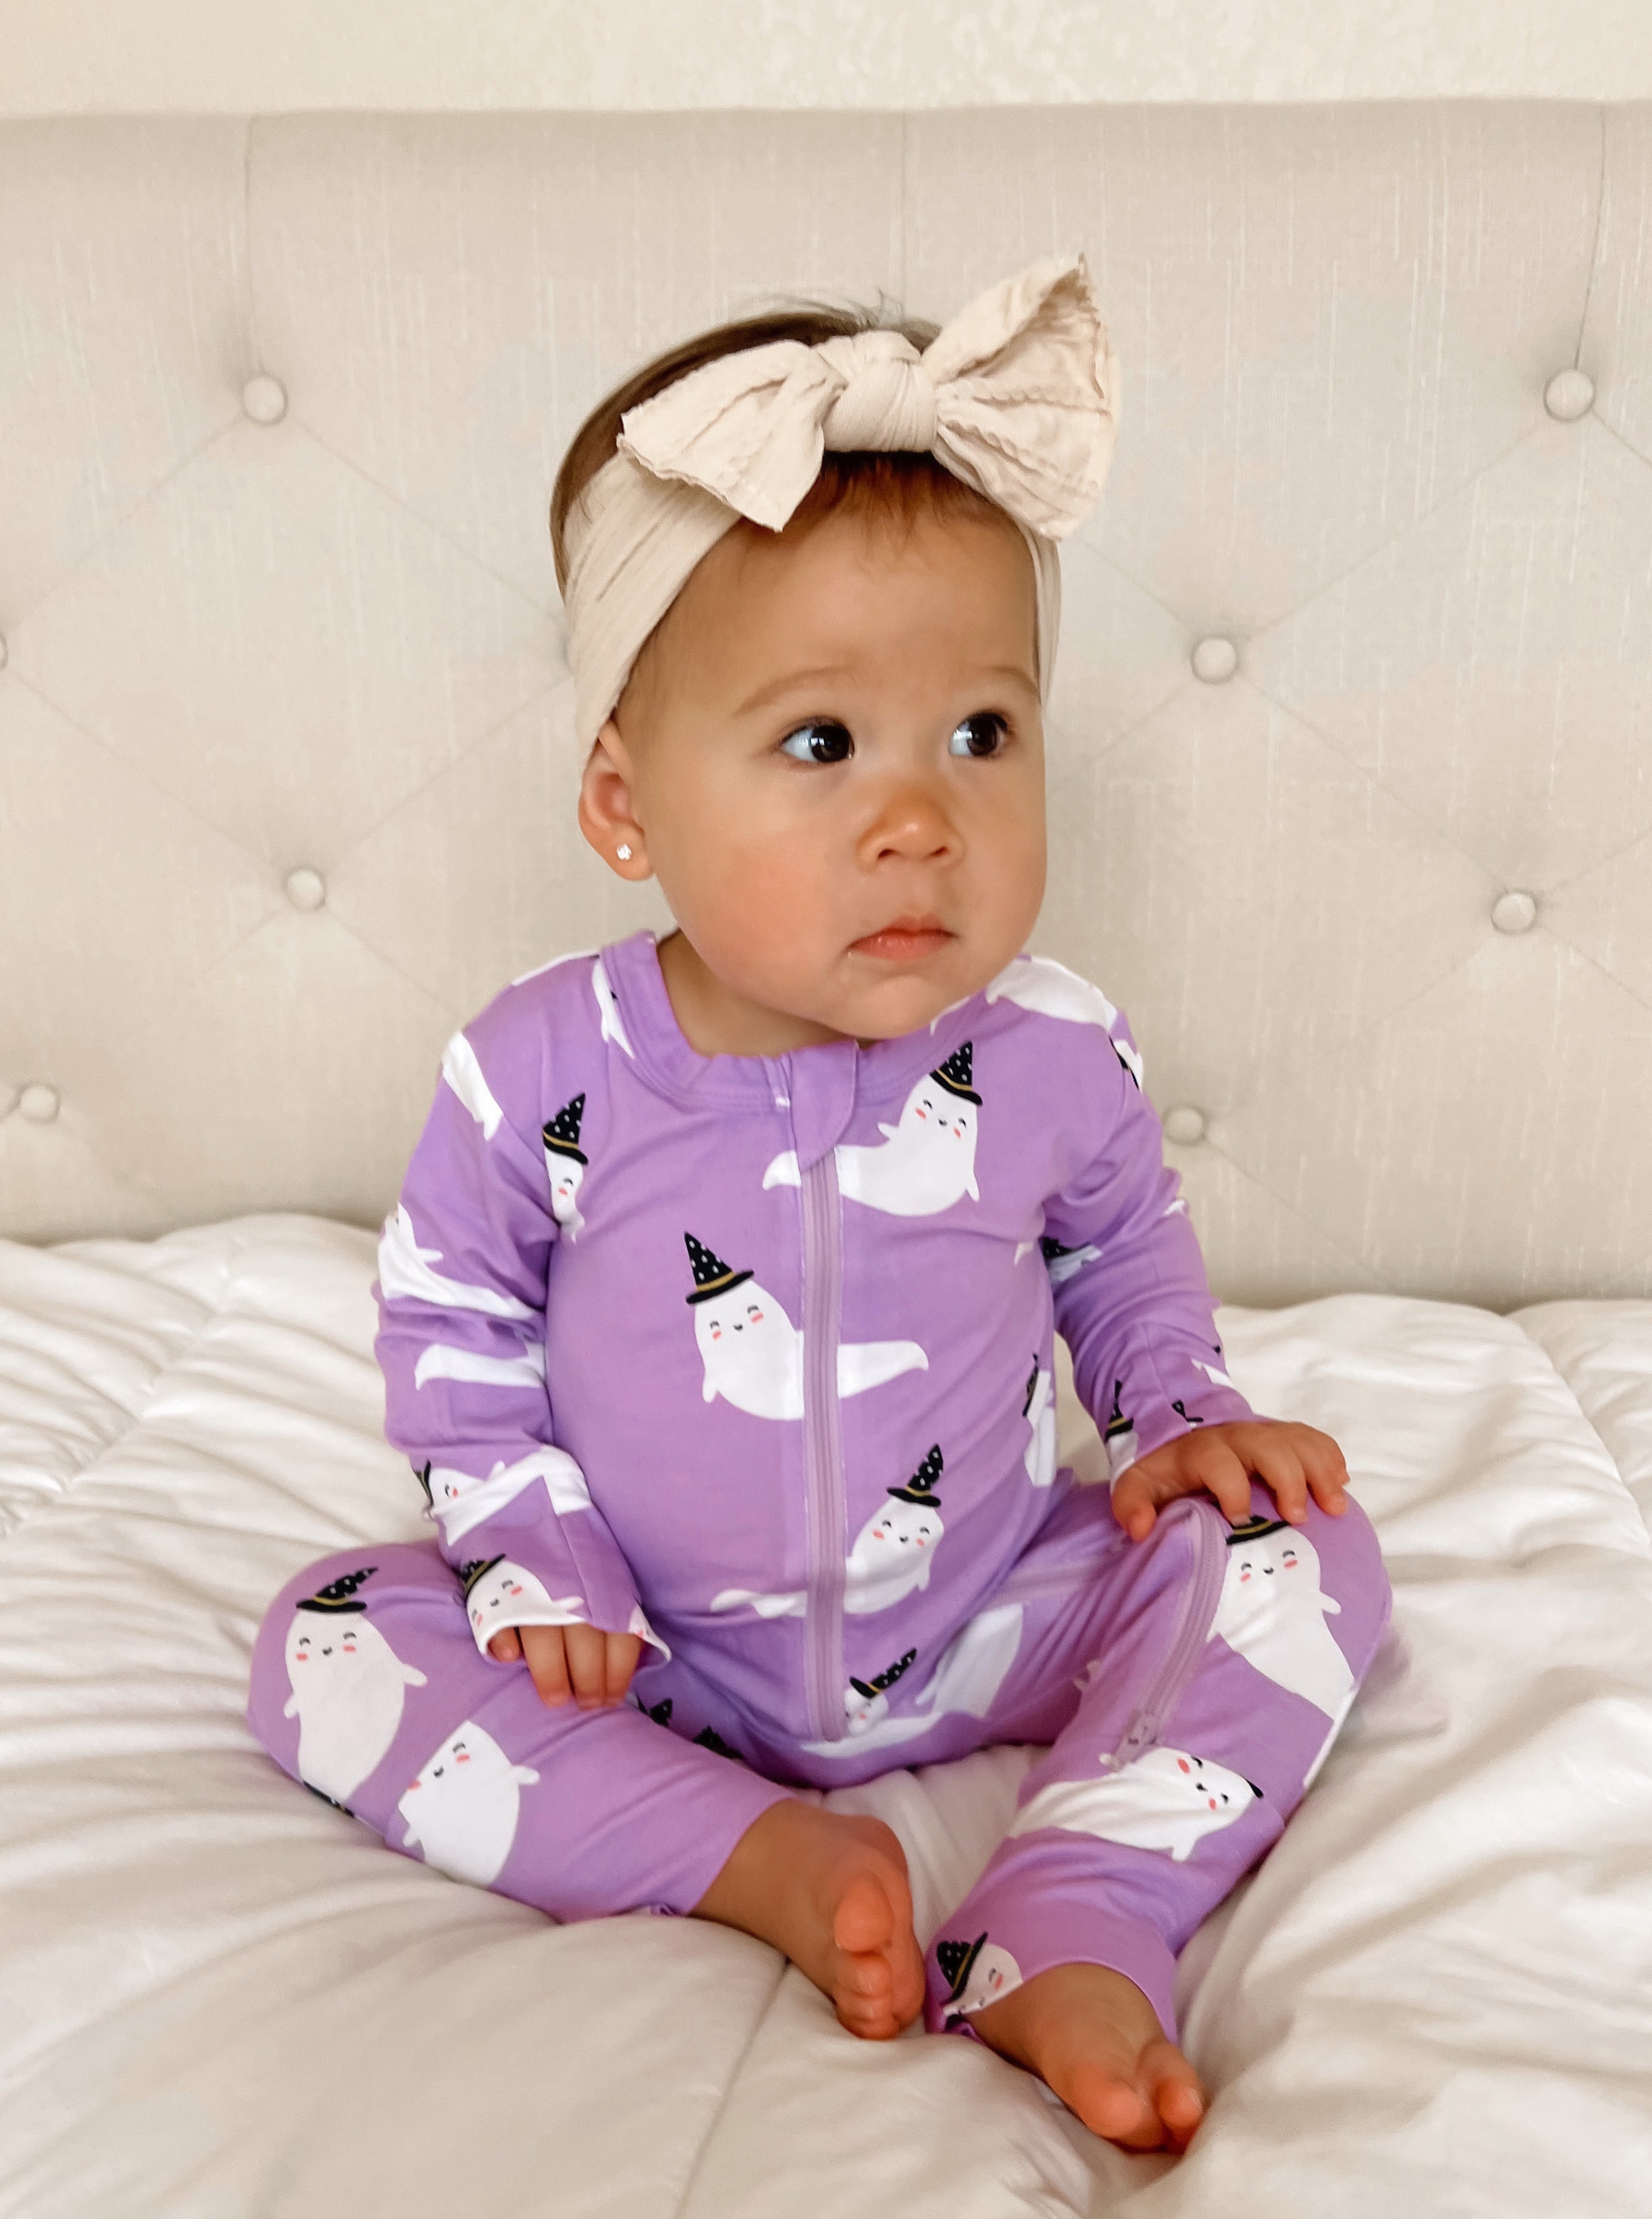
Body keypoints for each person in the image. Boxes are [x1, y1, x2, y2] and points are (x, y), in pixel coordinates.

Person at [247, 254, 1391, 2156]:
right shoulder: (543, 1068)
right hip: (650, 1655)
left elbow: (1122, 1254)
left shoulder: (1053, 1050)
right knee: (332, 1636)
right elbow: (453, 1325)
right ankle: (749, 1854)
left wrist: (1182, 1418)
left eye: (983, 734)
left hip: (980, 1611)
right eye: (820, 743)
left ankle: (1075, 1910)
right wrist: (540, 1557)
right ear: (626, 802)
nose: (919, 817)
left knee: (1305, 1553)